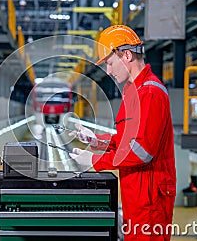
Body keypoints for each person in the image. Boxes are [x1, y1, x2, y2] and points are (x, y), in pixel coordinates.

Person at [69, 25, 176, 241]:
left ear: (126, 55)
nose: (108, 71)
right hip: (136, 193)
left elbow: (142, 151)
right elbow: (129, 140)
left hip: (150, 198)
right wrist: (97, 141)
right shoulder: (132, 91)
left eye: (110, 62)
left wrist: (94, 161)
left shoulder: (150, 93)